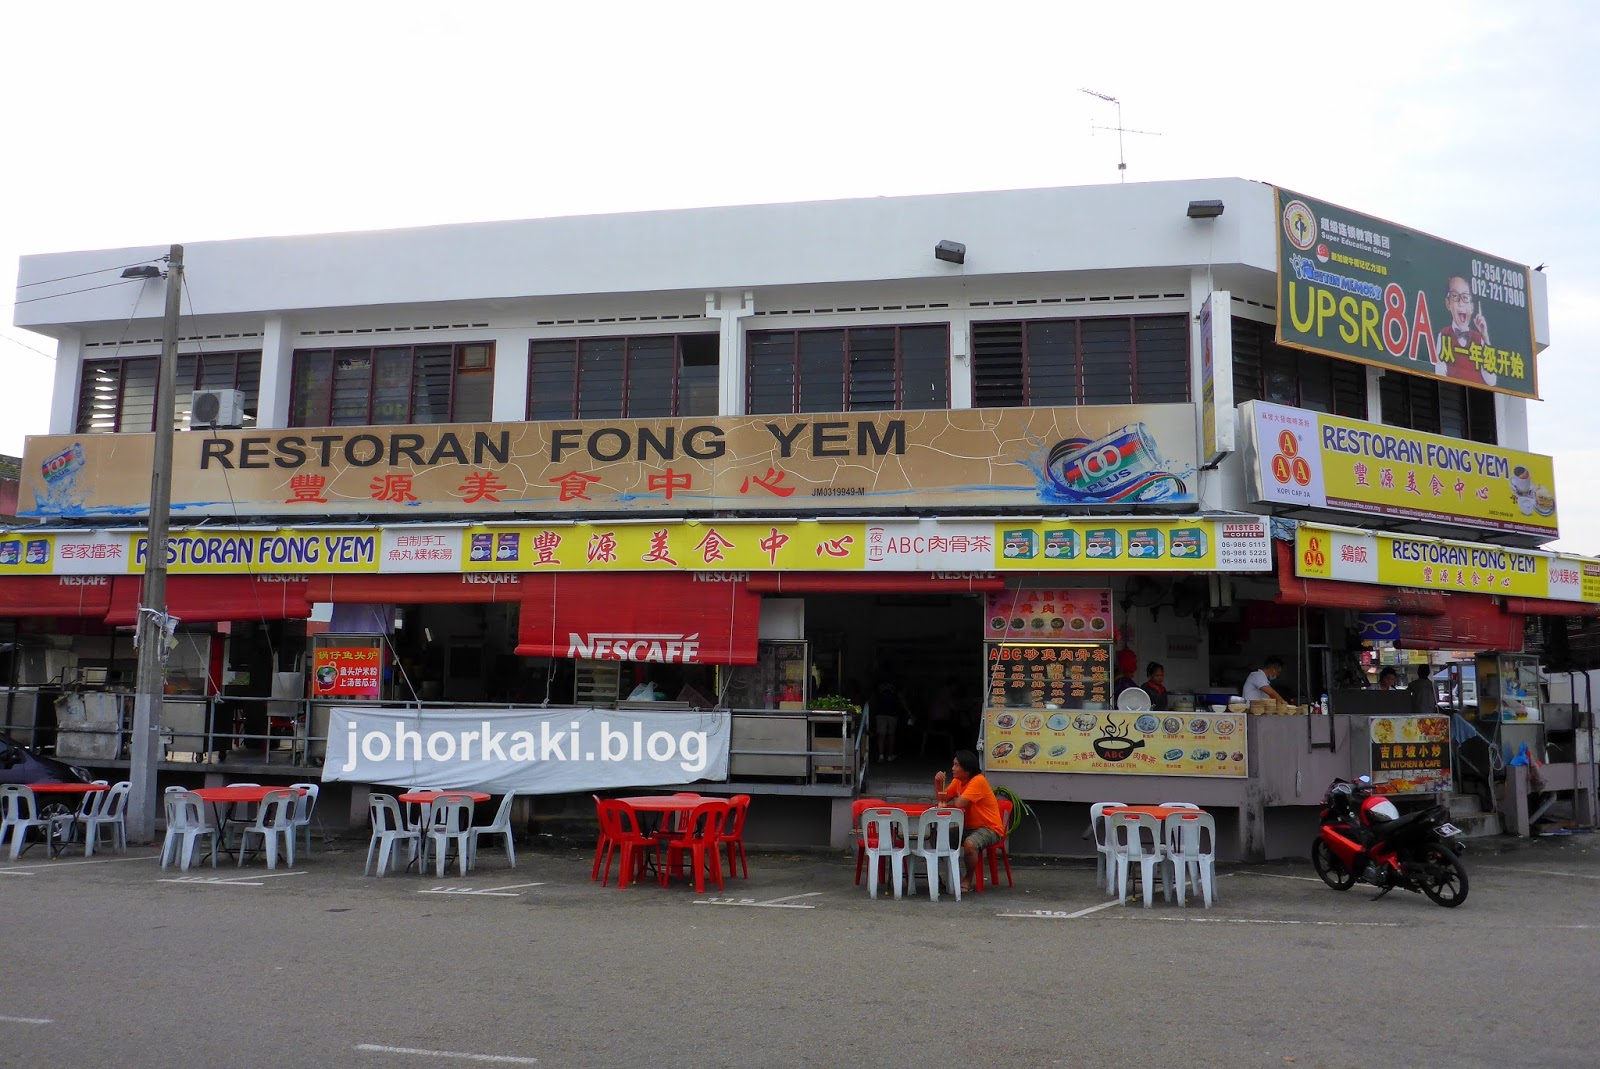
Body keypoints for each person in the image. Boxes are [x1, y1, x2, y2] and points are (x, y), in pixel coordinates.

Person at [933, 749, 1006, 893]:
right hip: (968, 827)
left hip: (989, 828)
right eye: (953, 765)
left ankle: (968, 878)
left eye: (957, 765)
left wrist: (958, 797)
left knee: (970, 844)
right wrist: (938, 783)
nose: (953, 768)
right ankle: (951, 873)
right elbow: (942, 800)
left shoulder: (978, 781)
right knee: (936, 838)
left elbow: (960, 803)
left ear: (967, 769)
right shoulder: (957, 781)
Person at [1437, 275, 1497, 388]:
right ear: (1448, 304)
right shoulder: (1444, 335)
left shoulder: (1479, 339)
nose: (1461, 303)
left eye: (1465, 298)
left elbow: (1491, 380)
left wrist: (1485, 336)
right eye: (1455, 296)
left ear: (1472, 307)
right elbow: (1439, 373)